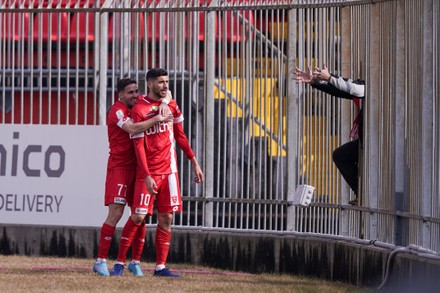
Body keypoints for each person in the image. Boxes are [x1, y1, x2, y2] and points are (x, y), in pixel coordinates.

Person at [110, 68, 204, 278]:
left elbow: (180, 136)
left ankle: (160, 267)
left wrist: (194, 162)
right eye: (161, 82)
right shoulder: (139, 109)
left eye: (167, 82)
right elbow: (139, 146)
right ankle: (119, 263)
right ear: (150, 84)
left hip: (170, 171)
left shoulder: (170, 105)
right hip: (150, 173)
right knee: (138, 216)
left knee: (166, 219)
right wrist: (146, 175)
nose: (165, 86)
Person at [93, 78, 173, 276]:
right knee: (116, 213)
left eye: (137, 91)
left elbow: (167, 94)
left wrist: (163, 103)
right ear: (120, 94)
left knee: (141, 214)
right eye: (130, 92)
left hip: (138, 169)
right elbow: (132, 129)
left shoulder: (139, 105)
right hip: (120, 168)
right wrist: (157, 119)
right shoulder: (117, 110)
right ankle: (100, 260)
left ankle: (135, 261)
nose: (135, 95)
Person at [293, 65, 365, 205]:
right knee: (340, 155)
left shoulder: (368, 87)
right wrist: (315, 82)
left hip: (374, 142)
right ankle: (361, 193)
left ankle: (362, 194)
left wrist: (330, 77)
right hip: (365, 141)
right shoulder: (360, 84)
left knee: (341, 155)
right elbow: (340, 88)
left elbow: (352, 88)